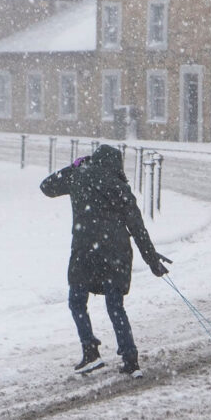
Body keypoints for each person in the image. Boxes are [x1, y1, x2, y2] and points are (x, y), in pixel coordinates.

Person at [40, 144, 171, 378]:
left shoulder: (78, 176)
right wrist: (152, 261)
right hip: (116, 254)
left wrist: (73, 167)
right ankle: (130, 359)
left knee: (77, 302)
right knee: (115, 306)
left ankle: (90, 350)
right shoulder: (120, 188)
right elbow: (137, 228)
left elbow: (46, 187)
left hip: (85, 251)